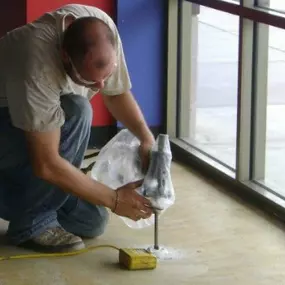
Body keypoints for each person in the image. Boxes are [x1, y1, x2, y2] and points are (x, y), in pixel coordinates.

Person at [0, 4, 155, 253]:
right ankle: (32, 223)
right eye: (90, 80)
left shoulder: (101, 29)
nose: (100, 84)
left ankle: (23, 198)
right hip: (6, 128)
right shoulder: (37, 62)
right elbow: (46, 163)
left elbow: (115, 94)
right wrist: (115, 200)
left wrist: (147, 139)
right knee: (77, 109)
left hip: (28, 135)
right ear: (64, 57)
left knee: (91, 222)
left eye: (105, 75)